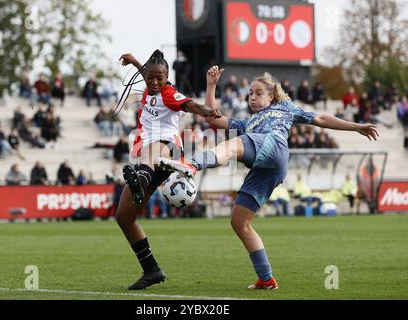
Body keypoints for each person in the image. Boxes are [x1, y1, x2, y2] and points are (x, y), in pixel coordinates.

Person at [157, 66, 379, 290]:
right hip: (268, 169)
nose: (253, 97)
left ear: (272, 95)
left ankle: (191, 165)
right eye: (250, 93)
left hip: (274, 146)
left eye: (258, 93)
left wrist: (357, 127)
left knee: (232, 144)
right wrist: (211, 85)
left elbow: (320, 117)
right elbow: (213, 119)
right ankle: (266, 278)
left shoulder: (285, 107)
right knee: (239, 223)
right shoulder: (246, 123)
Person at [115, 49, 221, 290]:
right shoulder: (152, 82)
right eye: (149, 77)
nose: (152, 82)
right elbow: (149, 73)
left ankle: (140, 181)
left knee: (150, 150)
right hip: (150, 158)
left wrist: (208, 111)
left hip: (167, 149)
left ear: (167, 77)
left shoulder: (170, 94)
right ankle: (152, 270)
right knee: (124, 217)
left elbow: (191, 105)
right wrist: (134, 62)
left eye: (158, 79)